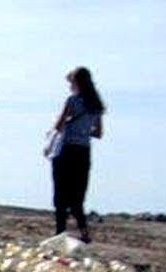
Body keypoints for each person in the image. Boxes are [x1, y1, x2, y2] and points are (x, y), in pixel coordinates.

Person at [50, 67, 105, 242]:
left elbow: (58, 126)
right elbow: (98, 133)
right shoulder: (96, 105)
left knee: (60, 194)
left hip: (66, 149)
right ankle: (84, 232)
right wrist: (84, 130)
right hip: (83, 152)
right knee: (77, 195)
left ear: (76, 83)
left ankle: (60, 233)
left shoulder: (72, 101)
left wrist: (69, 125)